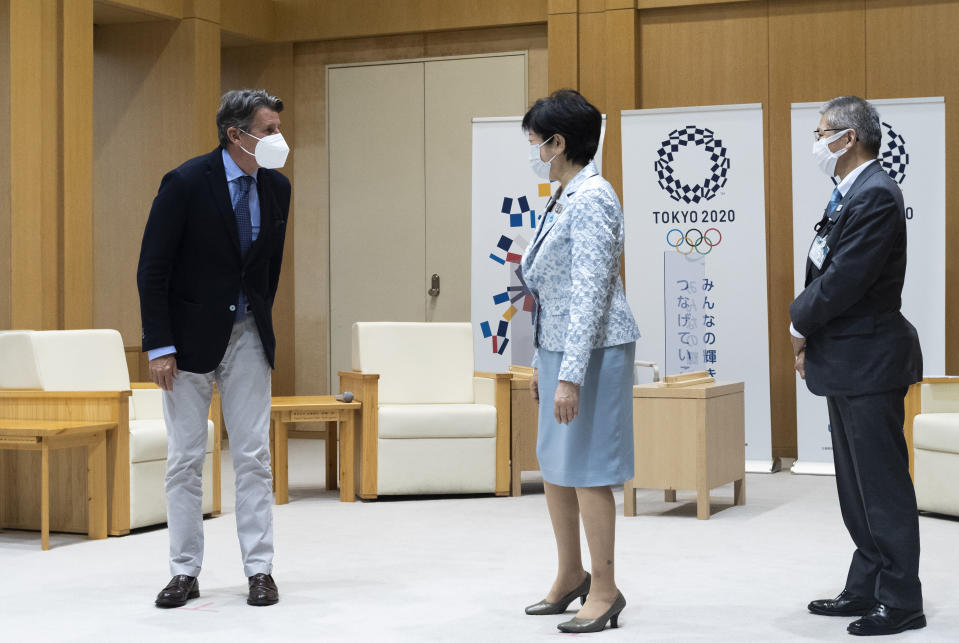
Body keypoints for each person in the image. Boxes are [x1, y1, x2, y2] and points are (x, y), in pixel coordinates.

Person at [137, 89, 291, 608]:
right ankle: (184, 571)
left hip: (249, 337)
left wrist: (258, 319)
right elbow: (152, 270)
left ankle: (260, 570)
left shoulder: (278, 188)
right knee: (185, 459)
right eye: (268, 130)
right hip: (184, 343)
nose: (278, 140)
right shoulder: (184, 183)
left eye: (276, 129)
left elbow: (266, 269)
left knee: (253, 456)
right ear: (236, 134)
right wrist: (159, 346)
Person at [790, 96, 925, 636]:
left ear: (850, 138)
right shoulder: (848, 192)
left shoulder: (877, 195)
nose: (817, 141)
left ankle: (901, 600)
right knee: (854, 484)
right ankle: (866, 584)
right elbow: (825, 264)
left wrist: (798, 323)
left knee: (882, 484)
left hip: (870, 358)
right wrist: (812, 337)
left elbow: (845, 279)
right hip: (846, 357)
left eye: (823, 132)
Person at [519, 89, 641, 634]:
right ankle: (571, 574)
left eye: (535, 141)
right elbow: (552, 286)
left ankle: (606, 588)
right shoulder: (565, 194)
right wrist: (544, 364)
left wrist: (568, 377)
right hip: (560, 347)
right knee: (557, 467)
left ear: (558, 142)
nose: (533, 150)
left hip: (591, 353)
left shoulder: (593, 197)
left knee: (588, 469)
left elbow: (592, 289)